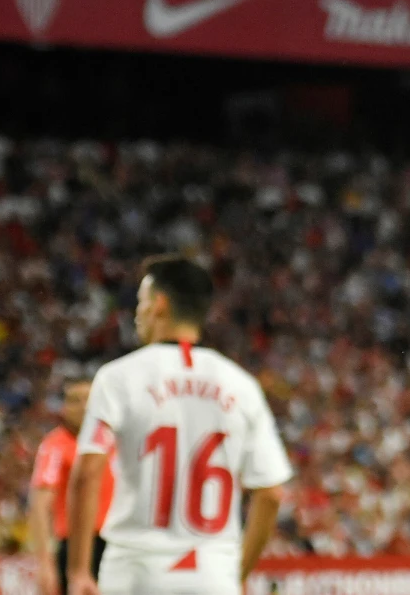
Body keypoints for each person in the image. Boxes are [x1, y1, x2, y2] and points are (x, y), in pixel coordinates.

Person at [66, 255, 293, 595]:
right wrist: (236, 572)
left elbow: (87, 473)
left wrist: (79, 570)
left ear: (159, 304)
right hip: (211, 573)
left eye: (141, 302)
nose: (136, 312)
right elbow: (271, 494)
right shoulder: (241, 385)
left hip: (135, 570)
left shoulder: (118, 377)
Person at [27, 378, 116, 595]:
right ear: (64, 408)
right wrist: (45, 562)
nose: (84, 406)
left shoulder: (112, 439)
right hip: (77, 546)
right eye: (76, 400)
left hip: (116, 542)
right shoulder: (56, 445)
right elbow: (40, 504)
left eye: (89, 399)